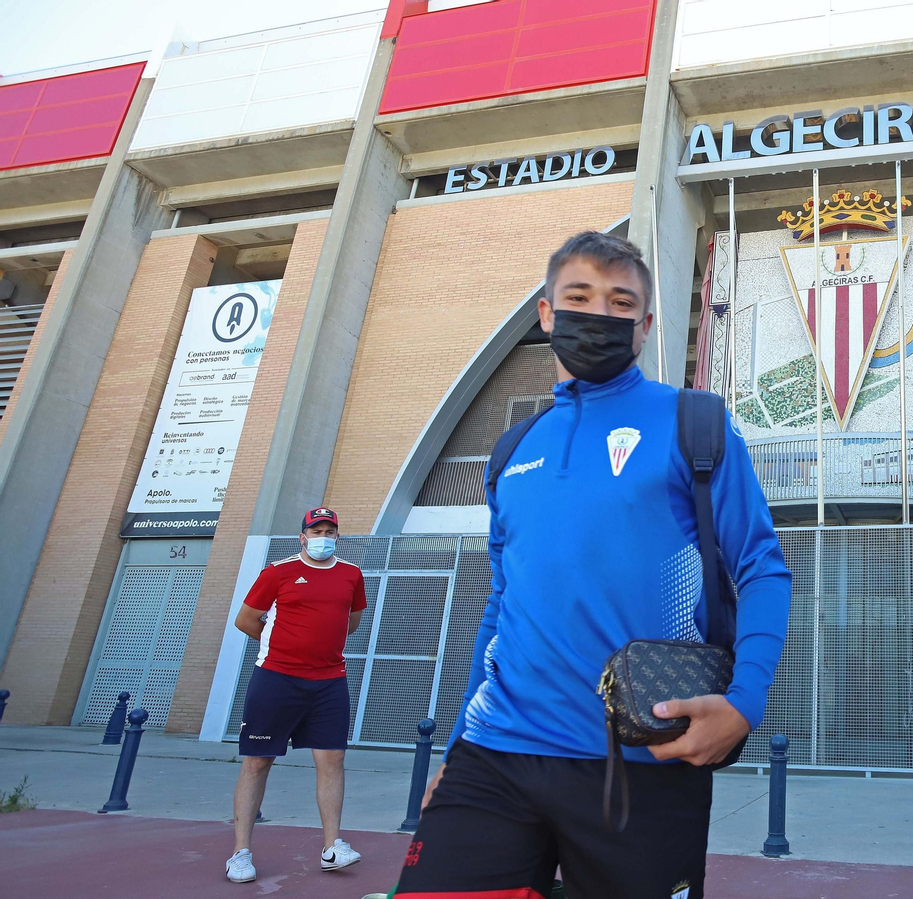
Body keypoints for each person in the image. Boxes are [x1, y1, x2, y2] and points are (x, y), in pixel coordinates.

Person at [392, 231, 792, 899]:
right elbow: (502, 605)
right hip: (495, 752)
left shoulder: (695, 422)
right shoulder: (512, 449)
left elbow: (761, 568)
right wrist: (460, 738)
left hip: (642, 755)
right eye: (578, 297)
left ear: (644, 324)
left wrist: (743, 703)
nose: (597, 314)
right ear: (547, 313)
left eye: (619, 302)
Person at [226, 507, 367, 884]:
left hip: (329, 681)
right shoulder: (278, 572)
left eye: (330, 530)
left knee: (332, 760)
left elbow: (350, 623)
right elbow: (245, 619)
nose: (323, 536)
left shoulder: (351, 574)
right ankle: (240, 853)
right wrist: (283, 646)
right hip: (276, 679)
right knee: (257, 762)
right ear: (302, 536)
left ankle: (332, 847)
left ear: (337, 536)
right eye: (316, 530)